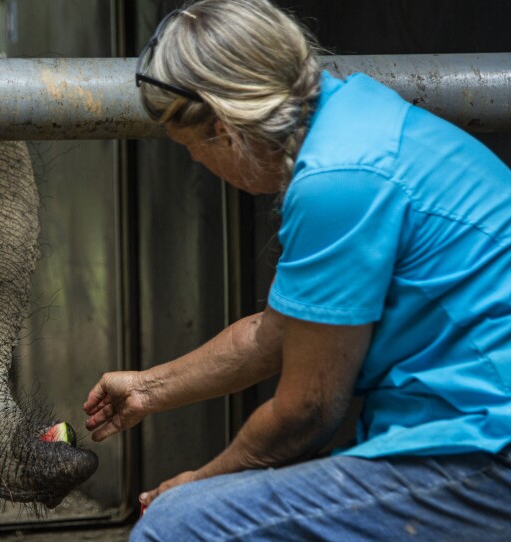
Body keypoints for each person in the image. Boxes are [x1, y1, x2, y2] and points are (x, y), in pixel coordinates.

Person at [83, 0, 511, 539]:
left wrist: (197, 481)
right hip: (466, 431)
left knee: (176, 526)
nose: (196, 163)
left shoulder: (338, 181)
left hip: (487, 445)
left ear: (223, 128)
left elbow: (307, 411)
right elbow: (275, 332)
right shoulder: (350, 116)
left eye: (190, 147)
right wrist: (148, 388)